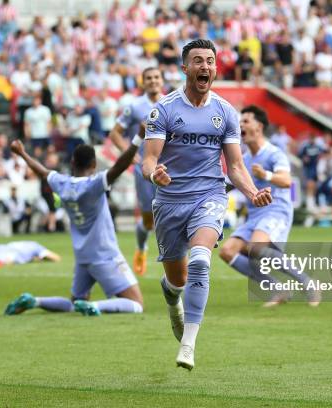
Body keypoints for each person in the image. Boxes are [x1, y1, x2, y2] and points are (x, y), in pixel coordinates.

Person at [142, 39, 272, 370]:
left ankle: (188, 345)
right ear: (185, 68)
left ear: (216, 68)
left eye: (210, 61)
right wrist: (155, 174)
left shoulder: (226, 112)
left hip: (209, 197)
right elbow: (149, 159)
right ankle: (173, 299)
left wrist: (252, 191)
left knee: (201, 259)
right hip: (170, 202)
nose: (205, 67)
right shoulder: (164, 110)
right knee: (177, 281)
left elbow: (236, 166)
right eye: (197, 61)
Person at [4, 130, 145, 317]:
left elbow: (41, 172)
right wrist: (138, 138)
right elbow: (119, 166)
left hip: (82, 257)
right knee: (136, 304)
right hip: (105, 255)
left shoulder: (63, 184)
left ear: (72, 163)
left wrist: (22, 153)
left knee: (75, 302)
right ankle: (96, 306)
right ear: (94, 165)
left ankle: (35, 301)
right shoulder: (93, 185)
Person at [219, 105, 320, 307]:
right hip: (255, 216)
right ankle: (277, 288)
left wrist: (265, 175)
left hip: (276, 210)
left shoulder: (275, 153)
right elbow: (226, 186)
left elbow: (286, 181)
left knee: (256, 248)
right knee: (227, 251)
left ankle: (308, 282)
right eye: (240, 122)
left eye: (246, 121)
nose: (241, 125)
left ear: (260, 127)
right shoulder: (243, 160)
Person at [109, 67, 164, 276]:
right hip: (145, 170)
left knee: (174, 212)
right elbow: (115, 133)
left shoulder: (173, 103)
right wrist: (129, 152)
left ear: (162, 80)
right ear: (143, 82)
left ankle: (178, 258)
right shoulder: (134, 107)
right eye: (148, 78)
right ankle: (141, 248)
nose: (153, 81)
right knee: (149, 219)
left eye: (156, 77)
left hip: (169, 168)